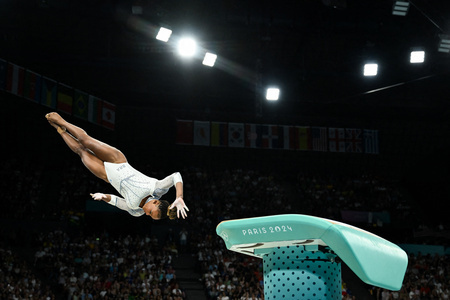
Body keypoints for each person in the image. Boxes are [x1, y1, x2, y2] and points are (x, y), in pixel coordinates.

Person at [45, 112, 188, 220]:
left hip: (107, 176)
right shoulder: (157, 189)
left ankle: (60, 130)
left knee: (81, 152)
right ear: (156, 202)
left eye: (150, 216)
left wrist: (104, 196)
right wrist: (179, 197)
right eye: (151, 212)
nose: (147, 214)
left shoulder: (136, 212)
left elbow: (117, 202)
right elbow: (176, 176)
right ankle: (62, 121)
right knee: (85, 141)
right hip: (117, 160)